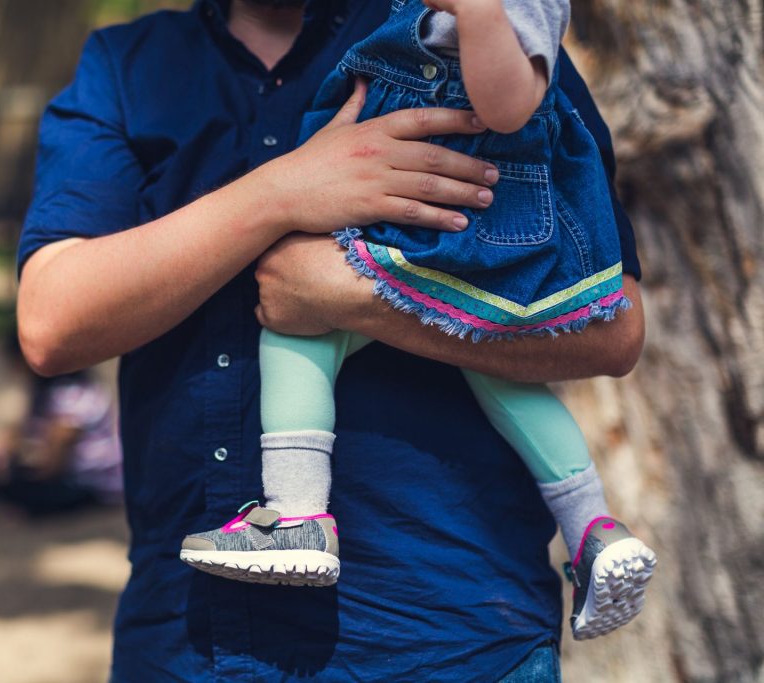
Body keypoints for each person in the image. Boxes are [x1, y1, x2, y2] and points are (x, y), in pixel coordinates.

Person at [16, 0, 647, 679]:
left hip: (453, 639)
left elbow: (612, 328)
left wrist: (355, 297)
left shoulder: (468, 28)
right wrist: (279, 194)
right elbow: (52, 322)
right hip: (188, 641)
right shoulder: (125, 69)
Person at [179, 0, 656, 642]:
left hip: (448, 220)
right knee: (504, 378)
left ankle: (295, 514)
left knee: (299, 330)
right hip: (463, 218)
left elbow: (511, 106)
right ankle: (594, 530)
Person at [0, 332, 123, 517]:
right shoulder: (43, 392)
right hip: (68, 471)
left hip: (91, 482)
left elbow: (53, 463)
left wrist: (18, 471)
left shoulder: (71, 396)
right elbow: (21, 433)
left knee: (16, 487)